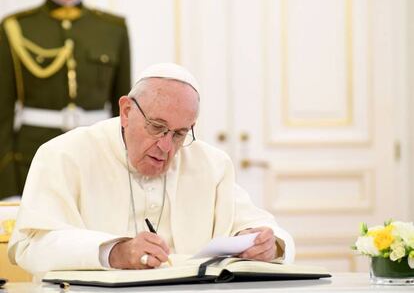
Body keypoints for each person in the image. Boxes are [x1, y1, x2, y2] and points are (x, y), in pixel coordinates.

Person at [8, 63, 294, 275]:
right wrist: (115, 252)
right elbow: (31, 247)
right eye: (157, 128)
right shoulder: (63, 154)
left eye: (180, 133)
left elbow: (266, 230)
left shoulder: (211, 164)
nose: (167, 147)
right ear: (126, 112)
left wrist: (270, 245)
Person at [0, 0, 131, 199]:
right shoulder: (16, 27)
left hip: (98, 160)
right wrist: (7, 186)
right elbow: (2, 114)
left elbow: (124, 111)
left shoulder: (113, 29)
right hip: (32, 162)